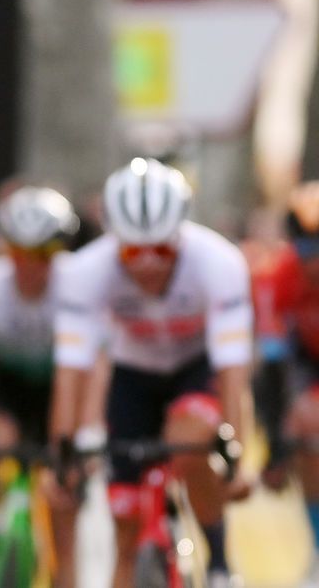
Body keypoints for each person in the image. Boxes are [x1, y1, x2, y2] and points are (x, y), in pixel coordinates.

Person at [50, 158, 253, 587]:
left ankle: (219, 562)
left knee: (188, 444)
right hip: (133, 377)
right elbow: (71, 374)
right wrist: (61, 457)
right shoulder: (85, 271)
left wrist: (238, 456)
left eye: (160, 249)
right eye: (131, 251)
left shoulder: (220, 262)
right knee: (124, 525)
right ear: (113, 240)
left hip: (193, 370)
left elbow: (233, 372)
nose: (146, 264)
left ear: (181, 236)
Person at [0, 185, 93, 586]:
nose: (30, 266)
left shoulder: (77, 284)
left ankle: (66, 573)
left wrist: (85, 433)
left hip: (62, 387)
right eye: (20, 253)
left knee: (65, 487)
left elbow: (92, 370)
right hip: (8, 386)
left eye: (43, 255)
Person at [248, 181, 319, 570]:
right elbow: (270, 373)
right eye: (306, 249)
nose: (314, 262)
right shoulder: (277, 278)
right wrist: (276, 448)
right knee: (306, 432)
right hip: (306, 363)